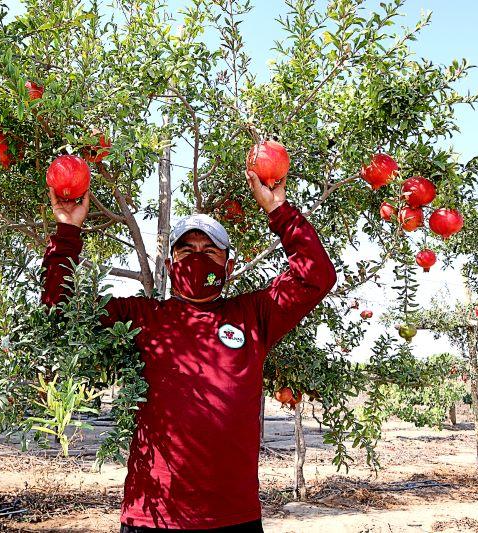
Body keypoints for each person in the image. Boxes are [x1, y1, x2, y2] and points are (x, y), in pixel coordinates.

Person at [41, 170, 337, 532]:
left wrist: (279, 210)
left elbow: (316, 277)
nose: (198, 258)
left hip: (234, 518)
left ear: (228, 266)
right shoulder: (141, 318)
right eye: (187, 250)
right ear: (170, 265)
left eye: (210, 251)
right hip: (152, 517)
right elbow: (61, 311)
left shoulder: (254, 316)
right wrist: (67, 229)